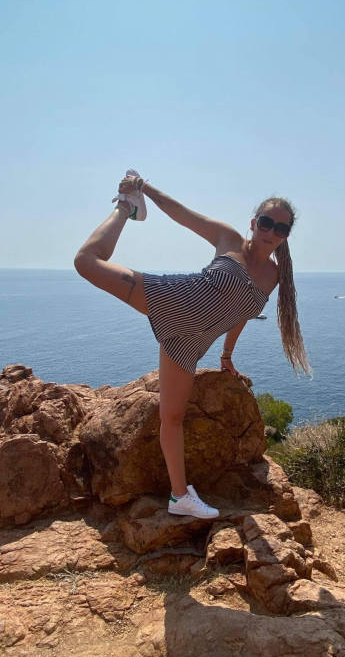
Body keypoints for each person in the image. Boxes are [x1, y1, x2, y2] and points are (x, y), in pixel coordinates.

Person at [74, 171, 311, 520]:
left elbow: (242, 312)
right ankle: (126, 208)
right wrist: (143, 189)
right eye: (266, 222)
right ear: (253, 223)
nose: (271, 231)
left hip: (189, 344)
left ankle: (180, 497)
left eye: (281, 228)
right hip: (172, 299)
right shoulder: (228, 238)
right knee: (85, 262)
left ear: (286, 235)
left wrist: (227, 354)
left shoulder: (273, 276)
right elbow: (182, 214)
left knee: (172, 417)